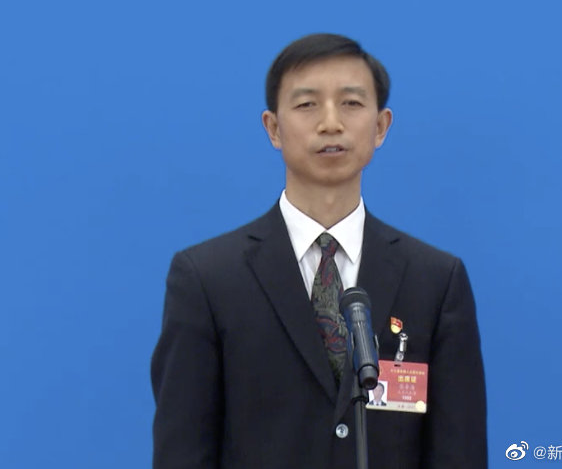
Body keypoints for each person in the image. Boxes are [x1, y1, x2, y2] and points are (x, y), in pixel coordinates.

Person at [151, 33, 487, 469]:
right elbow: (182, 450)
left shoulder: (435, 281)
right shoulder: (208, 279)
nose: (331, 123)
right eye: (308, 104)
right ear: (273, 128)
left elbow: (459, 451)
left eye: (351, 103)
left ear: (381, 126)